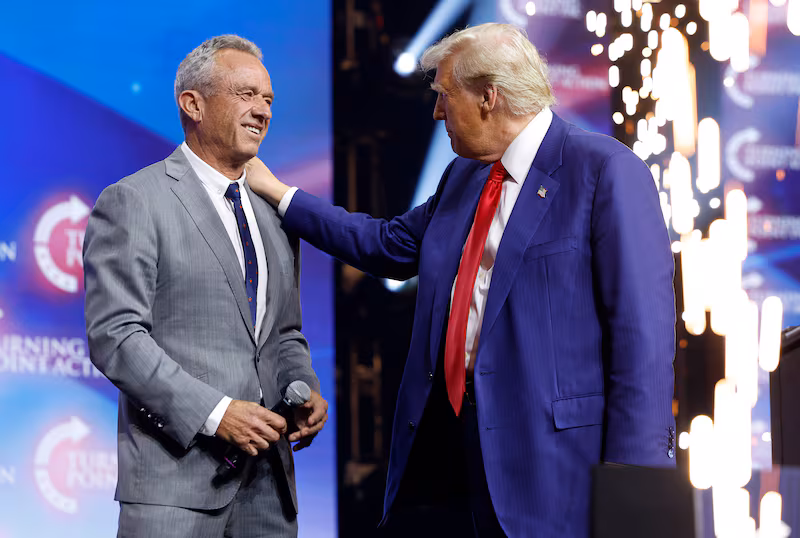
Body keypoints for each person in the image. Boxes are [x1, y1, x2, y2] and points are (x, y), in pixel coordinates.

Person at [248, 22, 676, 537]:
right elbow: (385, 245)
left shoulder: (604, 171)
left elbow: (643, 340)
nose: (436, 112)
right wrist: (279, 193)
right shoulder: (463, 177)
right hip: (444, 460)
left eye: (444, 95)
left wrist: (633, 490)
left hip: (551, 470)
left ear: (489, 97)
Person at [83, 35, 328, 538]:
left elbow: (283, 333)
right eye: (245, 95)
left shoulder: (274, 213)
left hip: (269, 490)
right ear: (192, 104)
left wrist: (302, 386)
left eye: (268, 99)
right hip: (174, 489)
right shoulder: (135, 200)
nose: (262, 110)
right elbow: (116, 336)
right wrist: (217, 415)